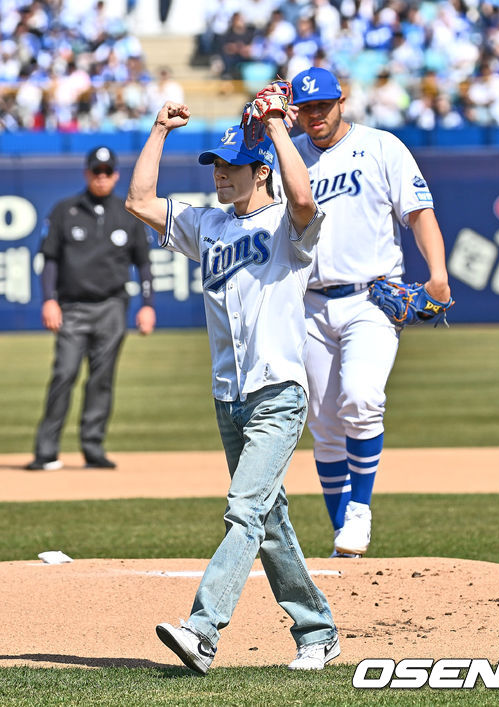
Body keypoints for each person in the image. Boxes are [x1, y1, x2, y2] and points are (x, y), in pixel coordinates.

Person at [125, 98, 339, 673]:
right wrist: (159, 130)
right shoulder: (208, 224)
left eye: (232, 166)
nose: (220, 174)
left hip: (278, 392)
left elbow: (302, 199)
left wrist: (274, 126)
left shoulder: (287, 228)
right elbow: (139, 201)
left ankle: (202, 629)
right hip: (229, 398)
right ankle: (318, 630)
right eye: (216, 165)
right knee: (267, 521)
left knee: (244, 509)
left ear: (260, 170)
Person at [288, 67, 451, 558]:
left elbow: (420, 212)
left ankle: (359, 509)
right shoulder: (286, 156)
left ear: (342, 102)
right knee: (322, 422)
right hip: (308, 302)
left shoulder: (382, 146)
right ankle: (343, 537)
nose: (315, 115)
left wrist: (437, 274)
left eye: (323, 105)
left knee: (361, 399)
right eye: (306, 107)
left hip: (371, 297)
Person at [26, 146, 156, 471]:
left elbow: (144, 263)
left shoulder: (128, 213)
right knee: (64, 373)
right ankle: (46, 451)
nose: (101, 178)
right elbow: (49, 260)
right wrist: (49, 300)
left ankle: (93, 447)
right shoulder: (65, 210)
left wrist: (148, 305)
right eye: (95, 172)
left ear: (116, 175)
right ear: (86, 173)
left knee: (102, 379)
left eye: (107, 172)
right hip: (73, 307)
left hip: (112, 306)